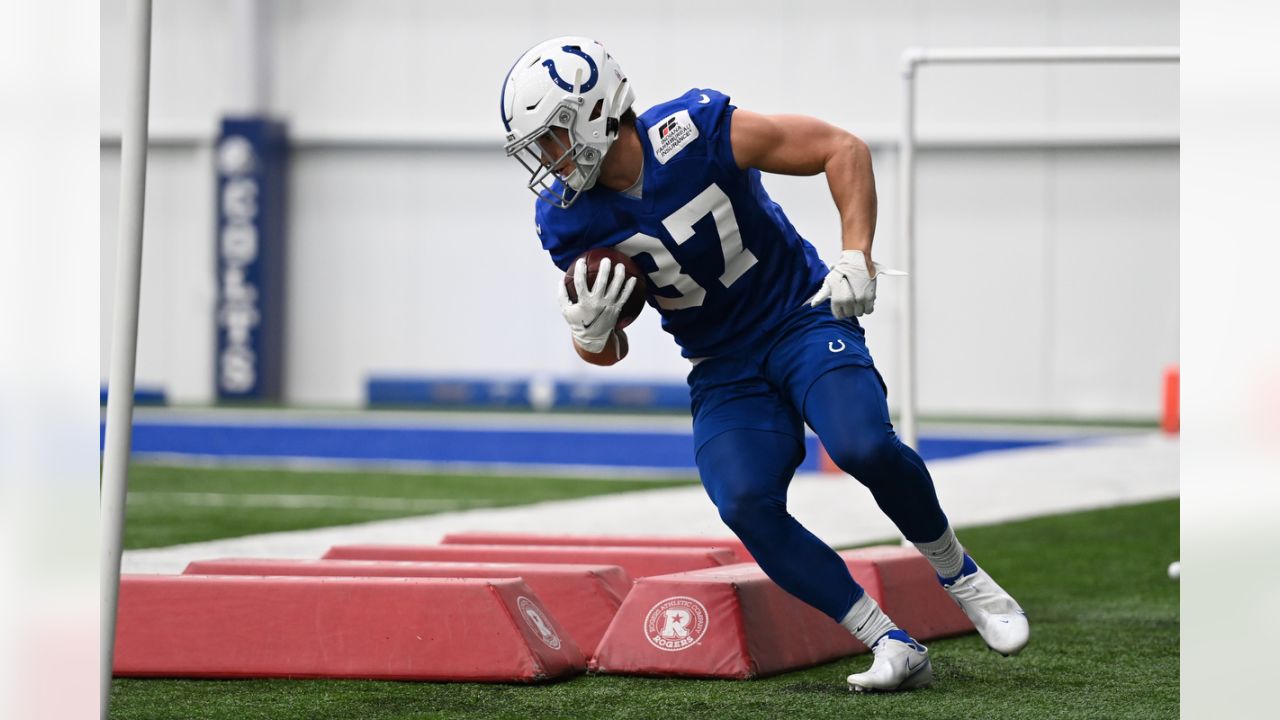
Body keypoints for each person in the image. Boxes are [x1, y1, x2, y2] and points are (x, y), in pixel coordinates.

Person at [500, 36, 1029, 692]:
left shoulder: (692, 131)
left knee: (861, 443)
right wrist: (589, 331)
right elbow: (605, 349)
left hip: (799, 316)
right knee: (744, 501)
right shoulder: (565, 221)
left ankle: (962, 576)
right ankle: (888, 640)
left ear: (596, 111)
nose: (548, 161)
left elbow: (842, 148)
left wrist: (856, 254)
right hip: (722, 362)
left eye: (552, 138)